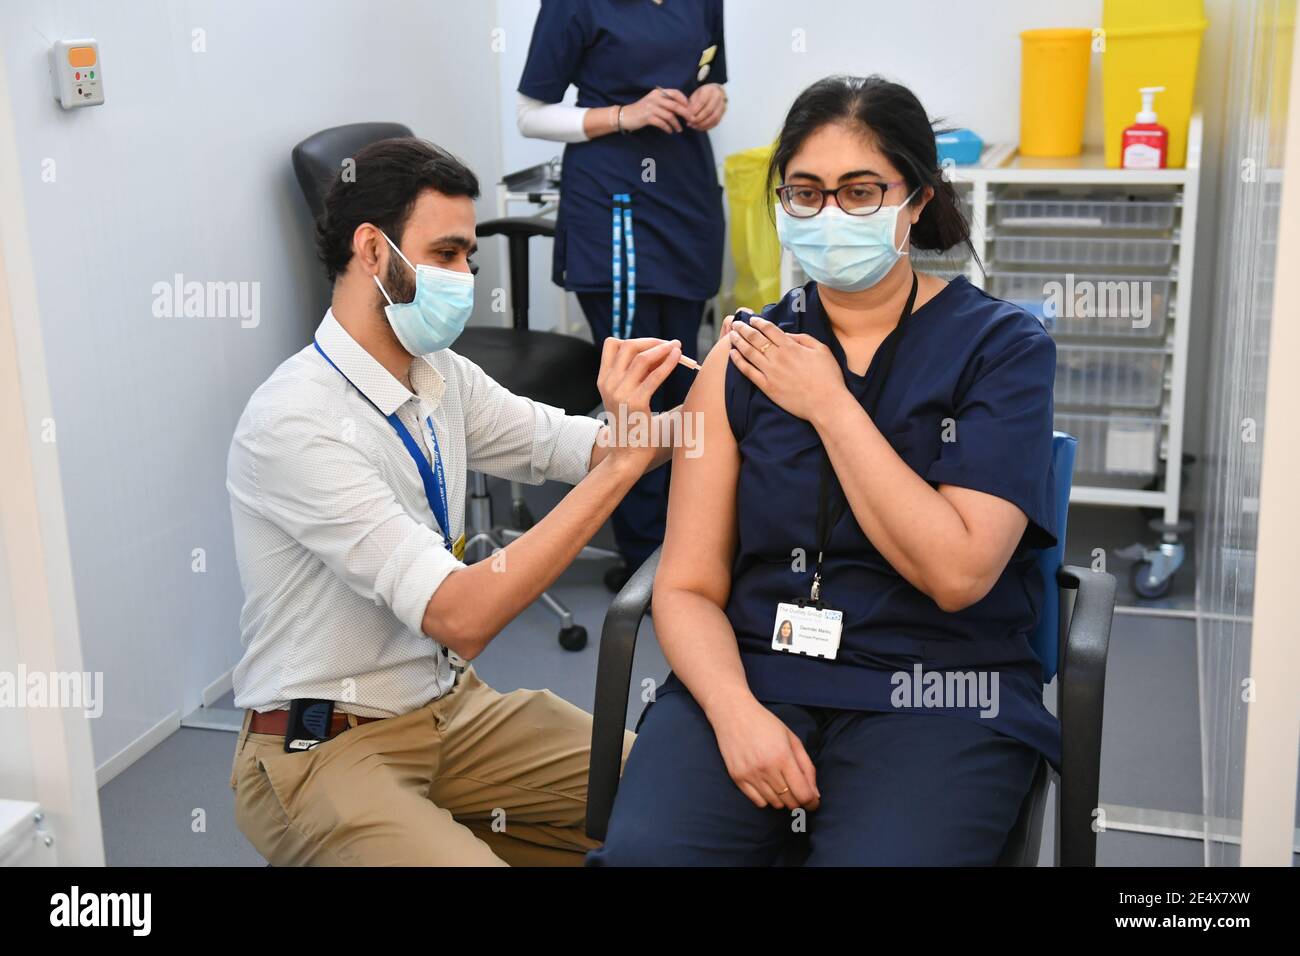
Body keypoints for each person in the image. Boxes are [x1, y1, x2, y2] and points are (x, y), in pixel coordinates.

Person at [590, 76, 1061, 866]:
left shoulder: (1002, 349)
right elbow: (686, 585)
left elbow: (957, 573)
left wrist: (832, 406)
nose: (829, 214)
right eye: (804, 193)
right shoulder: (740, 358)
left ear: (916, 201)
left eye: (861, 191)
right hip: (758, 672)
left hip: (937, 690)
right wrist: (734, 713)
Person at [226, 137, 687, 866]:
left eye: (468, 256)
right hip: (324, 744)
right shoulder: (297, 422)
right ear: (373, 253)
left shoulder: (439, 374)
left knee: (678, 798)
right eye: (445, 254)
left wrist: (707, 410)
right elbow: (461, 617)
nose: (466, 276)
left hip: (451, 713)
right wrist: (621, 470)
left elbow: (574, 445)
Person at [516, 0, 728, 589]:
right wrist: (623, 115)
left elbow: (710, 76)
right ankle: (648, 560)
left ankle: (695, 538)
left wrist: (716, 98)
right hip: (617, 207)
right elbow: (531, 117)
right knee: (641, 384)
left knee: (691, 377)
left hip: (685, 196)